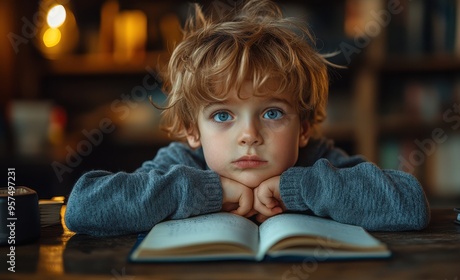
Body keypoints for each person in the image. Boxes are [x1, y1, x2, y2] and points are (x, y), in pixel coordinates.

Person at [65, 0, 430, 236]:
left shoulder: (317, 160)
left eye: (272, 113)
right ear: (193, 130)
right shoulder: (181, 164)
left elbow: (411, 205)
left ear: (303, 128)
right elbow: (83, 208)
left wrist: (298, 187)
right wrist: (206, 190)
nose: (249, 135)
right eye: (223, 115)